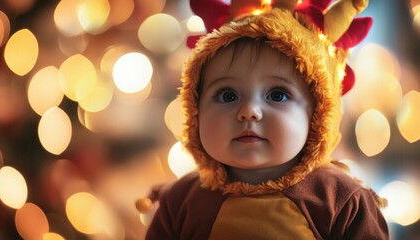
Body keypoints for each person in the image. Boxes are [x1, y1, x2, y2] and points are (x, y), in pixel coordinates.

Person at [140, 0, 389, 239]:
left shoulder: (342, 200)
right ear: (196, 111)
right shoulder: (180, 201)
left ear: (318, 115)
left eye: (277, 95)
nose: (249, 111)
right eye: (227, 95)